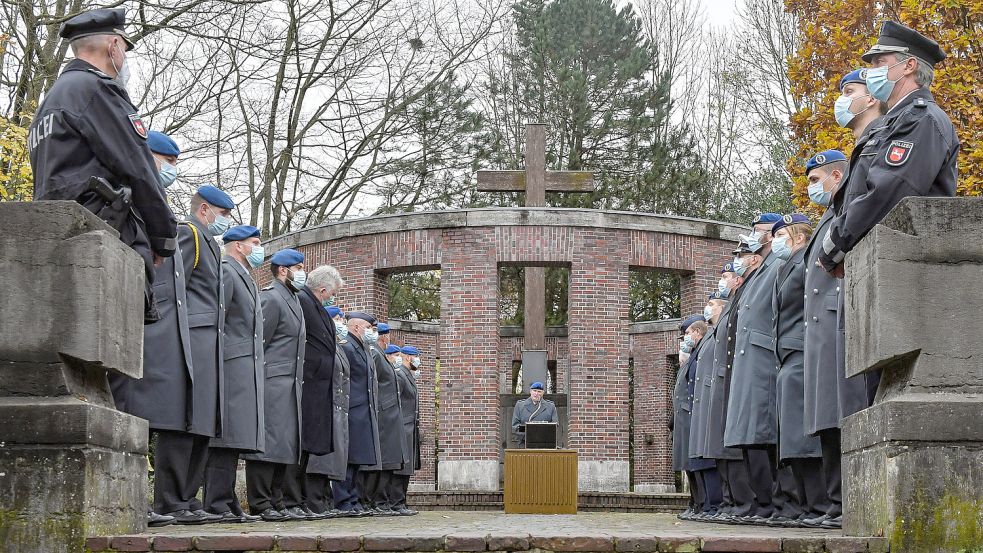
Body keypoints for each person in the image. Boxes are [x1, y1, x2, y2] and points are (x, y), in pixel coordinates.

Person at [28, 8, 176, 322]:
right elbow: (139, 167)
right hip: (101, 243)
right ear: (112, 46)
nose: (124, 56)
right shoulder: (97, 91)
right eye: (124, 46)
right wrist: (163, 238)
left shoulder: (48, 105)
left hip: (57, 243)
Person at [820, 20, 959, 276]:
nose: (871, 70)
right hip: (882, 264)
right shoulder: (890, 123)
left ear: (909, 65)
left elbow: (888, 192)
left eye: (879, 62)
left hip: (911, 271)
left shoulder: (921, 119)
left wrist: (835, 245)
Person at [801, 152, 871, 530]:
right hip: (822, 329)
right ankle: (834, 502)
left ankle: (846, 500)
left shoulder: (846, 210)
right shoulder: (828, 215)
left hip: (837, 321)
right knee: (827, 419)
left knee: (843, 414)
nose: (813, 186)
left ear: (836, 175)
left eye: (816, 178)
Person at [726, 213, 801, 525]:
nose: (753, 236)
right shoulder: (761, 267)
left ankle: (781, 503)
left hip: (764, 355)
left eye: (758, 231)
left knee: (768, 433)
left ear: (772, 234)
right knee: (753, 435)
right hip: (751, 357)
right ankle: (764, 503)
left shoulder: (776, 263)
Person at [201, 225, 265, 523]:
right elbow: (218, 319)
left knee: (234, 437)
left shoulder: (245, 276)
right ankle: (216, 502)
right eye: (255, 243)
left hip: (244, 365)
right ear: (238, 246)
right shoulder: (226, 270)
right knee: (224, 437)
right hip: (230, 363)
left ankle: (227, 502)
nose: (259, 248)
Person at [769, 214, 830, 528]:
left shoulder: (805, 261)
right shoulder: (785, 267)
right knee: (792, 438)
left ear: (798, 236)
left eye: (782, 234)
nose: (777, 240)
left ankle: (819, 504)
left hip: (803, 350)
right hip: (788, 355)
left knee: (805, 437)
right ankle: (806, 505)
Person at [243, 249, 306, 522]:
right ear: (283, 270)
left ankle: (277, 499)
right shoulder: (271, 297)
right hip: (271, 381)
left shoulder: (293, 298)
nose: (303, 273)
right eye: (300, 267)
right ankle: (260, 501)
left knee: (284, 444)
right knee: (267, 444)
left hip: (291, 384)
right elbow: (258, 343)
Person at [290, 265, 345, 520]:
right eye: (331, 294)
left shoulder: (314, 304)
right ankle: (295, 498)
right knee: (301, 444)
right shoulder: (303, 301)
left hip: (317, 385)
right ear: (322, 289)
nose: (331, 298)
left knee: (310, 445)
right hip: (308, 383)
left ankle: (301, 499)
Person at [703, 264, 757, 523]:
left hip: (733, 379)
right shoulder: (718, 323)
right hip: (721, 385)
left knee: (734, 449)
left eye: (725, 276)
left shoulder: (732, 306)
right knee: (722, 450)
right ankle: (729, 502)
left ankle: (744, 502)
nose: (722, 280)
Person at [333, 312, 382, 516]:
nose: (372, 332)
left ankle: (353, 498)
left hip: (363, 410)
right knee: (348, 457)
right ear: (356, 328)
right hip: (352, 408)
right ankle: (343, 499)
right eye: (368, 328)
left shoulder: (363, 349)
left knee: (357, 458)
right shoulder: (348, 347)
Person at [306, 313, 352, 517]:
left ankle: (325, 499)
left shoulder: (338, 346)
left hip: (338, 408)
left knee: (332, 459)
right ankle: (315, 501)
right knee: (319, 459)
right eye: (339, 319)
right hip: (325, 404)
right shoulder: (325, 343)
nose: (342, 323)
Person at [363, 333, 408, 516]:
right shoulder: (375, 354)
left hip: (390, 417)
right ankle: (377, 501)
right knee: (383, 462)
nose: (388, 337)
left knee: (390, 462)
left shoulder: (382, 357)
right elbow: (371, 381)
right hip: (383, 415)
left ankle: (382, 502)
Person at [391, 345, 422, 516]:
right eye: (416, 356)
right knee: (401, 466)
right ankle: (396, 502)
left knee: (407, 466)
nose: (418, 360)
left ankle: (401, 501)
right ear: (409, 358)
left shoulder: (408, 376)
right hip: (403, 426)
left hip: (410, 427)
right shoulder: (400, 375)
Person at [510, 381, 558, 446]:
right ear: (530, 391)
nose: (536, 394)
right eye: (534, 391)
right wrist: (528, 435)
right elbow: (515, 426)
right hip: (524, 443)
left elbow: (555, 425)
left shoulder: (550, 406)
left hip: (545, 444)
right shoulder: (520, 405)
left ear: (543, 393)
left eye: (539, 391)